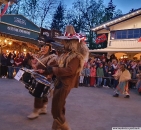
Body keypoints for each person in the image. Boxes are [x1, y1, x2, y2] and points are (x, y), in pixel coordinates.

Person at [37, 25, 89, 130]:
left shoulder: (76, 57)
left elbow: (70, 70)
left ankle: (64, 127)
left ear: (70, 43)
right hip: (59, 83)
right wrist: (46, 69)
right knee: (58, 108)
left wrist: (53, 70)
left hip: (65, 84)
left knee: (57, 109)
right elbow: (59, 65)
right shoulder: (66, 54)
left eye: (65, 41)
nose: (62, 43)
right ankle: (57, 127)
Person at [27, 35, 58, 119]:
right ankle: (44, 107)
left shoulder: (53, 57)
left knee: (38, 94)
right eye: (42, 46)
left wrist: (45, 71)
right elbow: (36, 67)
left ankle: (36, 111)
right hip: (38, 77)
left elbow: (52, 69)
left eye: (45, 47)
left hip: (45, 78)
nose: (43, 48)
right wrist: (33, 64)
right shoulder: (41, 57)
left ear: (50, 48)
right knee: (43, 94)